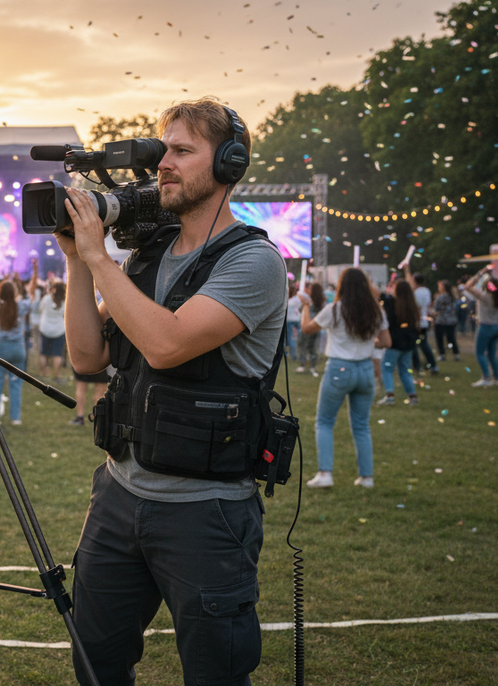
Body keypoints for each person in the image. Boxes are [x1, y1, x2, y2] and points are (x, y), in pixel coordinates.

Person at [58, 99, 284, 685]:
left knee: (214, 674)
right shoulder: (149, 256)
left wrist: (98, 257)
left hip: (205, 514)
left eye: (183, 151)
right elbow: (87, 358)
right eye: (163, 151)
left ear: (230, 164)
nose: (165, 164)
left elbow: (168, 344)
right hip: (118, 495)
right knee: (96, 663)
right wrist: (77, 264)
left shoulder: (253, 261)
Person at [300, 268, 390, 488]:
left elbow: (306, 328)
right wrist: (366, 343)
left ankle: (325, 473)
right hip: (366, 369)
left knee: (324, 421)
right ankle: (367, 477)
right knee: (361, 426)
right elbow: (386, 342)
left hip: (339, 369)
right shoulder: (376, 311)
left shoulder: (334, 309)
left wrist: (305, 305)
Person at [0, 280, 31, 425]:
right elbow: (31, 296)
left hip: (0, 346)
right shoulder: (21, 306)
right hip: (17, 347)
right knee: (16, 383)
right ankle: (16, 417)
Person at [377, 279, 420, 406]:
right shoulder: (412, 306)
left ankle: (390, 396)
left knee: (387, 368)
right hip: (408, 343)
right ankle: (412, 396)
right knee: (405, 370)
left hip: (395, 342)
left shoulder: (392, 304)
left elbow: (380, 295)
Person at [464, 267, 498, 387]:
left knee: (480, 353)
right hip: (495, 327)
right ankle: (497, 378)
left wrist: (480, 273)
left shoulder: (486, 297)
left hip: (485, 327)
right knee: (492, 354)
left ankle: (486, 377)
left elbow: (467, 286)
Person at [406, 268, 439, 373]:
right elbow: (428, 305)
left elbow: (417, 307)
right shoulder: (427, 291)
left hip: (416, 322)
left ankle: (417, 366)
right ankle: (432, 364)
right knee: (424, 344)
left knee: (413, 345)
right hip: (424, 322)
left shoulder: (416, 293)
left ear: (415, 281)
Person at [37, 281, 66, 382]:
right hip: (58, 330)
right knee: (57, 354)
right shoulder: (64, 301)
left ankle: (43, 373)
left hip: (45, 328)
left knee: (44, 353)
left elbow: (40, 309)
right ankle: (56, 374)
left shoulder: (46, 298)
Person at [295, 281, 324, 376]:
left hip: (307, 326)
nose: (308, 290)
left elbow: (300, 310)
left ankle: (303, 365)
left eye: (310, 288)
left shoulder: (309, 302)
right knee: (313, 347)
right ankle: (312, 366)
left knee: (303, 345)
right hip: (316, 327)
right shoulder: (321, 302)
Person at [432, 279, 460, 362]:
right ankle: (456, 354)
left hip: (441, 320)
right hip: (451, 320)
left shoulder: (440, 297)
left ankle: (442, 354)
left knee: (439, 338)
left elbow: (436, 308)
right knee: (451, 338)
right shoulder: (453, 297)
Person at [285, 280, 302, 360]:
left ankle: (294, 355)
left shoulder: (289, 301)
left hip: (289, 320)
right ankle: (298, 354)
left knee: (291, 338)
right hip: (297, 319)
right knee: (298, 337)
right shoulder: (298, 299)